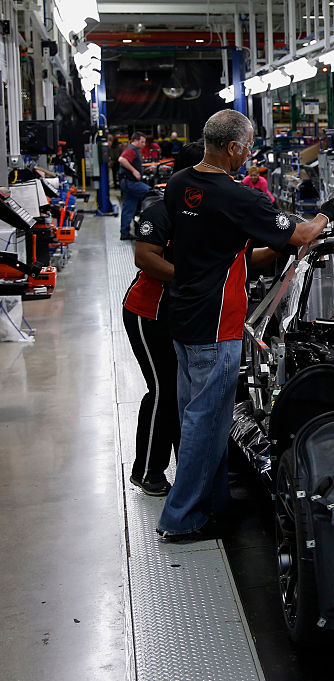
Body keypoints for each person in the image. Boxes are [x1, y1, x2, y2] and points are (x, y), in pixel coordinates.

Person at [156, 109, 334, 542]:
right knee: (206, 423)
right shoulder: (237, 196)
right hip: (216, 321)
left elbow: (222, 246)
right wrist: (328, 213)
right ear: (233, 148)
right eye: (249, 144)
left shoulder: (181, 183)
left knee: (200, 417)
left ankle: (214, 501)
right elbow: (301, 235)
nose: (251, 152)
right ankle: (181, 518)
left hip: (184, 316)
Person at [122, 142, 205, 496]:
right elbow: (145, 259)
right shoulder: (161, 210)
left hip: (177, 312)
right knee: (164, 390)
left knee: (178, 390)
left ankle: (181, 463)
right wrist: (192, 278)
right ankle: (148, 471)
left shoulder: (203, 208)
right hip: (148, 311)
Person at [117, 132, 151, 240]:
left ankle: (125, 232)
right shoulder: (131, 149)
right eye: (142, 142)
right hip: (131, 183)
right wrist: (135, 171)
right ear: (135, 141)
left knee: (129, 207)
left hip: (128, 183)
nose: (144, 144)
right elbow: (121, 159)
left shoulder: (133, 150)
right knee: (152, 193)